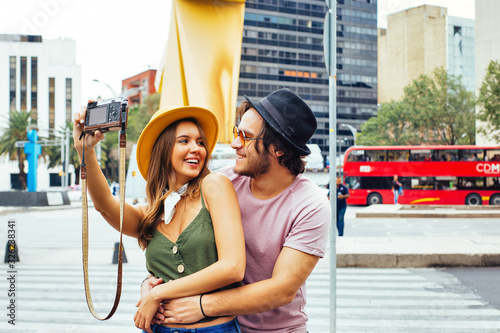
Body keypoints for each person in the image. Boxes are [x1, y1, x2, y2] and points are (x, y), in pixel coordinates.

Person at [143, 88, 331, 332]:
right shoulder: (221, 181)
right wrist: (152, 283)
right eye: (236, 132)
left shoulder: (311, 205)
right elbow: (177, 240)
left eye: (246, 137)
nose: (234, 144)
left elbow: (282, 290)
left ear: (279, 149)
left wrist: (202, 306)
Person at [73, 105, 245, 333]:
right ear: (163, 149)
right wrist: (85, 151)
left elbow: (233, 268)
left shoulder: (214, 185)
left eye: (200, 142)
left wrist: (158, 293)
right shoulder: (150, 215)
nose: (196, 148)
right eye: (184, 141)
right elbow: (104, 205)